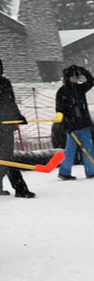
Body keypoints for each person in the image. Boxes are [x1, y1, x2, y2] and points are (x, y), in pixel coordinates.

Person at [55, 64, 94, 180]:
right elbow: (59, 110)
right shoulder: (62, 92)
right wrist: (65, 124)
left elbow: (92, 81)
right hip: (72, 126)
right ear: (67, 78)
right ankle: (64, 172)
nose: (75, 80)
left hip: (84, 124)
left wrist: (84, 71)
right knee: (70, 150)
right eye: (73, 77)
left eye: (77, 77)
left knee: (88, 148)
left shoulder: (80, 88)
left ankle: (91, 172)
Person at [0, 59, 34, 198]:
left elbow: (10, 102)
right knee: (7, 158)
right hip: (3, 124)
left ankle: (19, 188)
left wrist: (18, 116)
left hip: (6, 125)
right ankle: (20, 188)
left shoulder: (5, 82)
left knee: (6, 158)